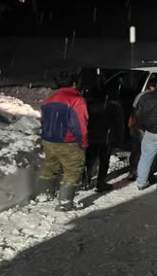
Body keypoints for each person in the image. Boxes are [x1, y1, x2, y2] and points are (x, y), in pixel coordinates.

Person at [36, 70, 89, 212]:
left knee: (51, 167)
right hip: (68, 141)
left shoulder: (49, 100)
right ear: (74, 84)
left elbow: (43, 121)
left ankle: (44, 194)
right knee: (72, 170)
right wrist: (83, 142)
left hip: (48, 139)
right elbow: (80, 124)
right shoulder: (77, 100)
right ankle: (65, 202)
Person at [82, 97, 125, 193]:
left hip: (92, 135)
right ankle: (100, 183)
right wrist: (119, 138)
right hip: (107, 138)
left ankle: (85, 181)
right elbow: (119, 124)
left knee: (89, 159)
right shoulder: (115, 106)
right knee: (104, 160)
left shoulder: (89, 104)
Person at [127, 78, 157, 181]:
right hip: (147, 128)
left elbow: (133, 111)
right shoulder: (153, 97)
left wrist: (131, 126)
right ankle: (148, 174)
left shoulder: (140, 95)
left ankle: (133, 172)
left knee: (136, 150)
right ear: (152, 86)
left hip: (137, 126)